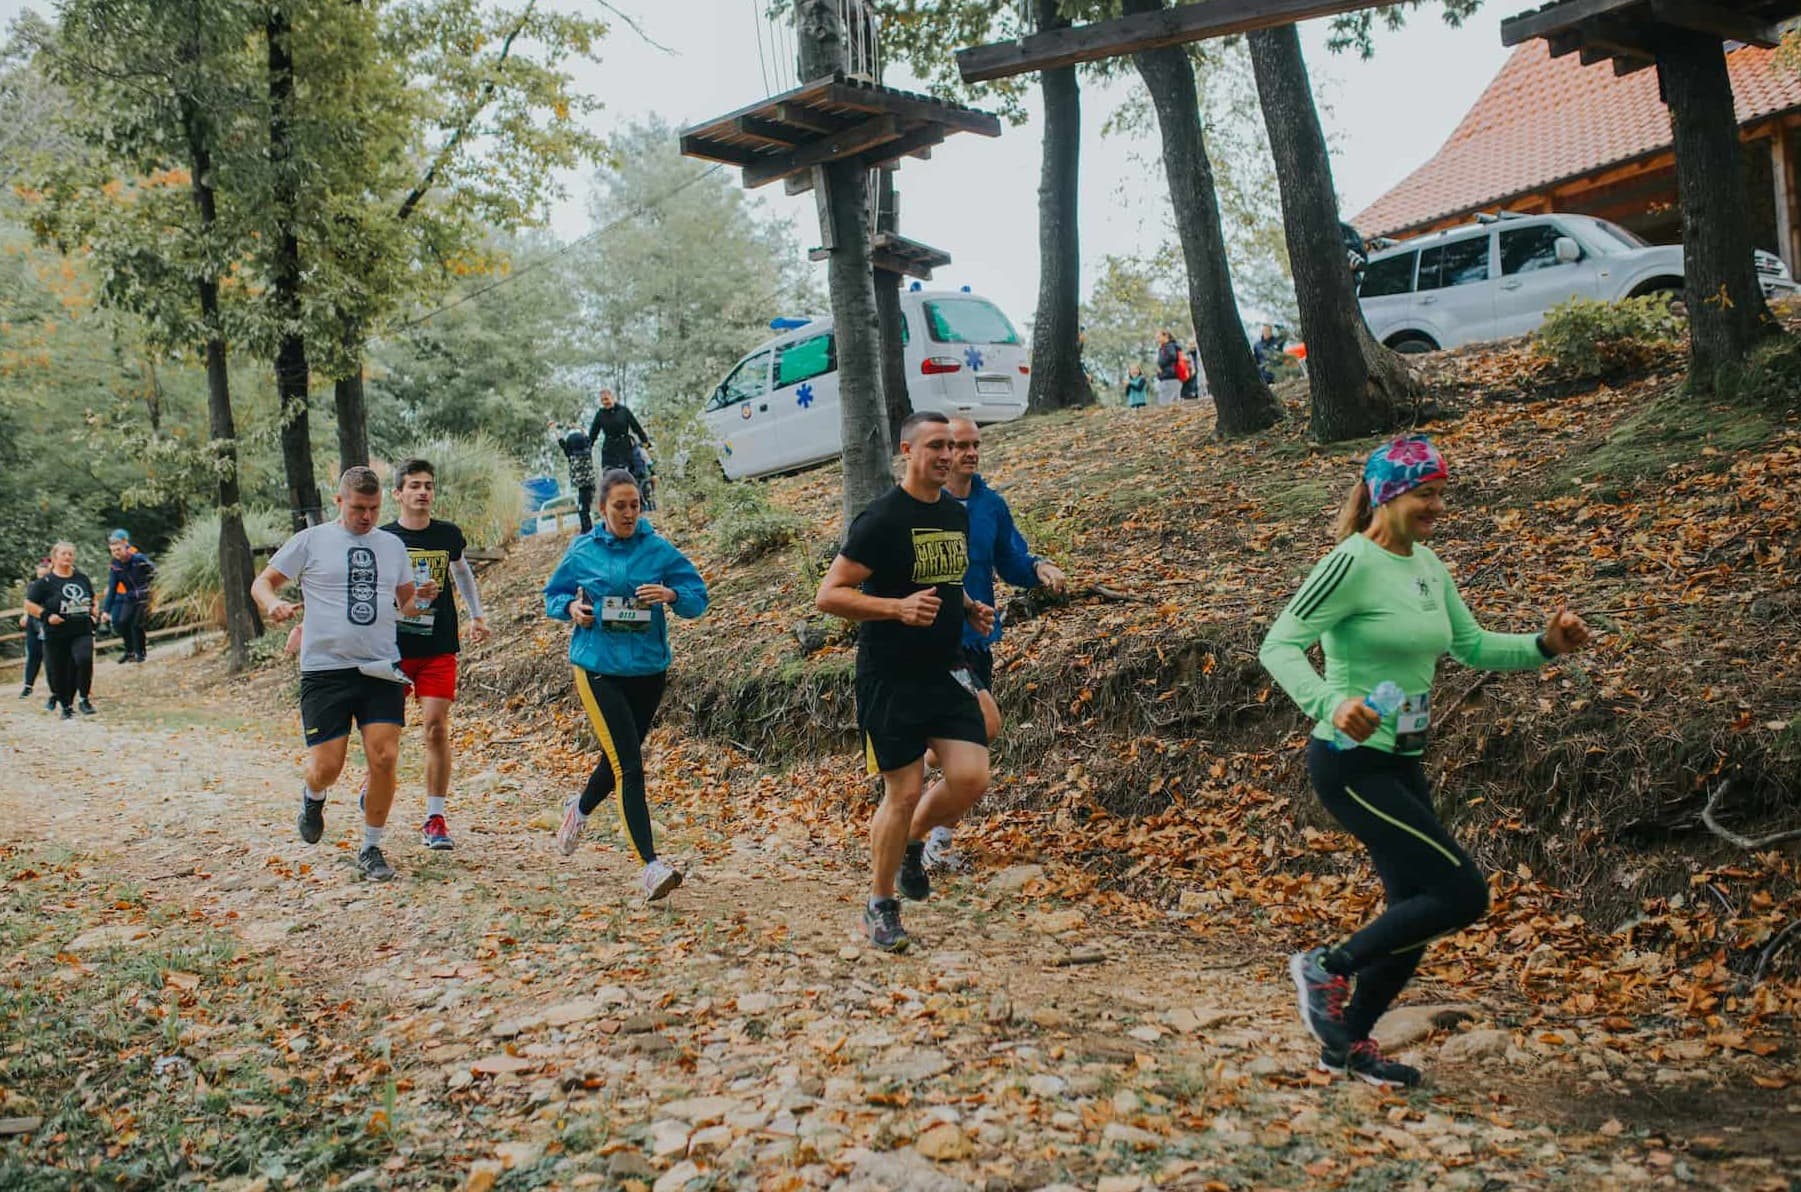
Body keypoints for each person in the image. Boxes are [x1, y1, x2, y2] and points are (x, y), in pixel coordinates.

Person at [1258, 435, 1592, 1088]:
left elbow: (1470, 646)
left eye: (1441, 493)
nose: (1438, 506)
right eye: (1425, 494)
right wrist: (1331, 703)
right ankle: (1326, 967)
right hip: (1350, 760)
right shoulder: (1349, 563)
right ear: (1386, 494)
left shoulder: (1428, 566)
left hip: (1404, 759)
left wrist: (1543, 645)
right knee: (1461, 892)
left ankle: (1346, 1046)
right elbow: (1279, 644)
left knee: (1412, 908)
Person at [815, 411, 996, 953]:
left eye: (951, 446)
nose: (947, 455)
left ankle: (913, 841)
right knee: (905, 790)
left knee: (971, 776)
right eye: (935, 445)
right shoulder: (882, 519)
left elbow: (944, 576)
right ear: (908, 451)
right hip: (890, 675)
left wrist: (968, 606)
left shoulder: (955, 514)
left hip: (945, 666)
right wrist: (896, 608)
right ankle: (880, 904)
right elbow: (829, 595)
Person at [544, 468, 708, 902]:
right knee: (630, 767)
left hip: (648, 670)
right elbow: (553, 596)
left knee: (618, 758)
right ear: (602, 508)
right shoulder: (583, 550)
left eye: (635, 505)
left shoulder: (658, 549)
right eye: (620, 506)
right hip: (598, 667)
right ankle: (650, 866)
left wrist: (671, 596)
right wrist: (572, 608)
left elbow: (697, 597)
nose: (629, 513)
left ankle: (578, 810)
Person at [252, 466, 421, 883]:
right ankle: (314, 797)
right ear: (339, 501)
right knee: (328, 766)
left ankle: (371, 846)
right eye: (359, 508)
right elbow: (262, 583)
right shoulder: (311, 541)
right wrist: (273, 604)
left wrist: (421, 599)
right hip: (325, 670)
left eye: (374, 508)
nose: (367, 517)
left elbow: (407, 605)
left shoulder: (392, 546)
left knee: (385, 757)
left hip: (380, 666)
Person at [919, 417, 1067, 872]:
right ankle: (915, 812)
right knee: (984, 726)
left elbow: (1010, 560)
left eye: (975, 445)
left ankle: (935, 839)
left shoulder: (991, 505)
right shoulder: (926, 505)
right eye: (960, 445)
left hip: (979, 643)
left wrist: (1039, 568)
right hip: (937, 645)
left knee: (971, 750)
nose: (969, 453)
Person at [382, 459, 491, 851]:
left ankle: (435, 817)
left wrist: (477, 616)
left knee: (436, 728)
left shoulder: (447, 534)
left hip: (438, 646)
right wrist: (407, 599)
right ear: (398, 493)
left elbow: (461, 572)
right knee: (385, 734)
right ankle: (374, 780)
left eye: (428, 485)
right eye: (414, 485)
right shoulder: (383, 539)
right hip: (392, 648)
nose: (423, 492)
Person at [24, 542, 99, 720]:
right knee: (60, 670)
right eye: (64, 554)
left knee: (84, 659)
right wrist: (46, 616)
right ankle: (66, 706)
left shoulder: (81, 578)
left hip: (81, 629)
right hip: (56, 633)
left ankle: (84, 699)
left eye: (70, 554)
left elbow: (92, 597)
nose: (67, 557)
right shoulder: (45, 582)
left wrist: (94, 609)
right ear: (55, 557)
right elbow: (29, 604)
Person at [103, 529, 156, 664]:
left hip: (143, 594)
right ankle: (130, 651)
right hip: (130, 596)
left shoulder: (138, 559)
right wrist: (106, 610)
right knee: (122, 622)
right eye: (113, 551)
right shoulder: (115, 566)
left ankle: (140, 653)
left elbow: (154, 572)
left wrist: (151, 588)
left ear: (125, 547)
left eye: (118, 549)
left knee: (136, 624)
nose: (116, 553)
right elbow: (113, 588)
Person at [587, 388, 652, 478]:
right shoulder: (600, 414)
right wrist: (588, 447)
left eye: (606, 399)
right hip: (609, 450)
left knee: (631, 476)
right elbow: (593, 433)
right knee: (609, 477)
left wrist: (646, 442)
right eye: (602, 400)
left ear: (612, 397)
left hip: (625, 447)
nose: (605, 402)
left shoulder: (624, 411)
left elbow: (636, 427)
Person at [553, 422, 597, 534]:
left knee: (583, 510)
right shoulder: (588, 451)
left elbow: (561, 442)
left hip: (582, 486)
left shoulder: (571, 455)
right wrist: (579, 427)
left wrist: (554, 429)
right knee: (585, 509)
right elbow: (588, 438)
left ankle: (587, 531)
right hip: (590, 484)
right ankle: (587, 529)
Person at [17, 556, 49, 701]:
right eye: (39, 575)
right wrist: (25, 614)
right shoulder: (33, 586)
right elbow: (28, 602)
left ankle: (55, 686)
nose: (41, 577)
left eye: (44, 575)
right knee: (33, 654)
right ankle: (28, 686)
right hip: (34, 621)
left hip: (46, 620)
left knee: (50, 655)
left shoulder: (53, 586)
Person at [1154, 330, 1182, 407]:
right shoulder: (1165, 347)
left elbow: (1172, 356)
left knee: (1165, 403)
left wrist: (1161, 365)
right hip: (1170, 376)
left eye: (1158, 337)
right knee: (1174, 402)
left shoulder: (1169, 346)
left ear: (1166, 336)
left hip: (1169, 376)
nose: (1157, 340)